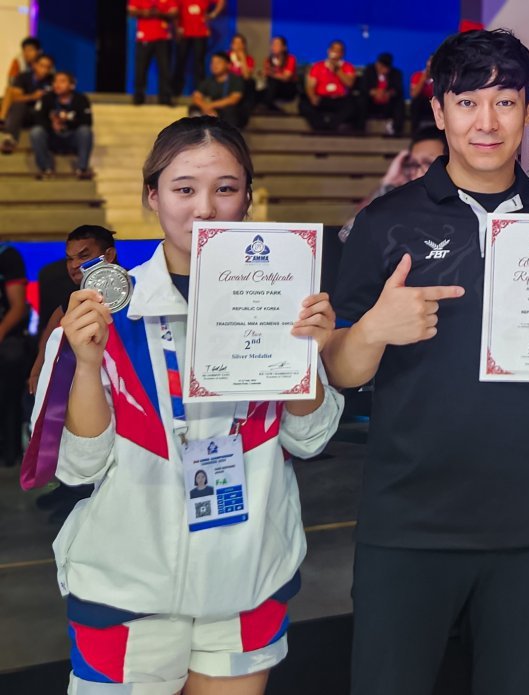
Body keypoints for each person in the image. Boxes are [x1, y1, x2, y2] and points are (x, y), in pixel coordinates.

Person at [325, 29, 529, 695]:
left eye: (504, 102)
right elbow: (341, 371)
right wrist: (375, 327)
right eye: (467, 103)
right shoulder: (385, 223)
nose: (485, 122)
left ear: (527, 111)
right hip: (408, 520)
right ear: (439, 111)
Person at [27, 115, 344, 693]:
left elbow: (310, 438)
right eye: (183, 189)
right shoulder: (100, 312)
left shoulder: (282, 301)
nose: (205, 208)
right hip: (129, 587)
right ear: (152, 196)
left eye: (225, 188)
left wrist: (311, 355)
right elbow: (77, 467)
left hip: (248, 575)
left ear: (248, 195)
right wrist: (90, 364)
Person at [28, 225, 118, 395]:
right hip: (88, 386)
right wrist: (37, 372)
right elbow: (49, 337)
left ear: (109, 255)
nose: (74, 265)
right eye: (69, 259)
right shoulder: (69, 300)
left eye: (83, 256)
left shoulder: (137, 288)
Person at [338, 125, 447, 241]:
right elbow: (347, 235)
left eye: (428, 164)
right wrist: (388, 184)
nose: (418, 174)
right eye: (414, 164)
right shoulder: (403, 208)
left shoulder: (463, 208)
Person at [30, 70, 94, 180]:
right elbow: (38, 118)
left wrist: (66, 122)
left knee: (85, 131)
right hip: (52, 137)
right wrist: (52, 124)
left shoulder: (81, 99)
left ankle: (82, 169)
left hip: (71, 136)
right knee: (36, 132)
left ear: (72, 85)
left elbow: (87, 121)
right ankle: (45, 169)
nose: (57, 85)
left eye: (62, 81)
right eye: (55, 81)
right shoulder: (47, 98)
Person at [0, 240, 29, 467]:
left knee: (11, 358)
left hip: (7, 336)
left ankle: (10, 451)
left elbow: (18, 307)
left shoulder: (7, 255)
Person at [300, 39, 360, 132]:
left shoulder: (348, 67)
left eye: (338, 50)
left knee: (352, 105)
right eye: (333, 49)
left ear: (342, 53)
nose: (335, 52)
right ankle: (320, 126)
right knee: (304, 104)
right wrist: (312, 96)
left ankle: (332, 125)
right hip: (322, 98)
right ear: (328, 51)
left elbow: (349, 83)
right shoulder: (317, 66)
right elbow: (310, 85)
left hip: (340, 99)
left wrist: (337, 70)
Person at [0, 53, 54, 155]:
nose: (44, 70)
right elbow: (15, 98)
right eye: (42, 66)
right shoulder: (23, 77)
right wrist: (32, 96)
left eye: (48, 67)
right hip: (24, 114)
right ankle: (9, 138)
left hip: (43, 115)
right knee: (19, 105)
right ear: (35, 65)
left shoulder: (52, 80)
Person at [129, 0, 177, 106]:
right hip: (144, 38)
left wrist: (159, 14)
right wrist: (144, 12)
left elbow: (174, 12)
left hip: (163, 37)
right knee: (141, 68)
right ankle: (139, 96)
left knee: (165, 68)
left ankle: (165, 97)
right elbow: (131, 11)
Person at [172, 0, 224, 97]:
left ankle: (201, 92)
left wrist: (213, 15)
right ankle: (175, 92)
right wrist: (177, 28)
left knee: (199, 64)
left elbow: (221, 1)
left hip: (200, 33)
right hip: (184, 33)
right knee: (180, 63)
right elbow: (175, 12)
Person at [190, 51, 248, 128]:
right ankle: (197, 135)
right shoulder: (209, 80)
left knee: (230, 110)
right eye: (212, 63)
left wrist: (210, 105)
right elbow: (196, 96)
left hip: (233, 113)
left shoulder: (235, 79)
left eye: (218, 62)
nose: (214, 65)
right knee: (194, 109)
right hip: (214, 110)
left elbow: (233, 99)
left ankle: (230, 137)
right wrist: (205, 107)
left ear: (228, 65)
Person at [359, 52, 404, 136]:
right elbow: (363, 88)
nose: (383, 69)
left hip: (387, 102)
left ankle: (397, 131)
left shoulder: (396, 73)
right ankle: (360, 130)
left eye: (386, 67)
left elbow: (398, 90)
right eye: (381, 66)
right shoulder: (369, 71)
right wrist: (374, 92)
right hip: (371, 102)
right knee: (361, 101)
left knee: (399, 103)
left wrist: (388, 93)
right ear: (377, 64)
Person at [1, 36, 41, 123]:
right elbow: (12, 82)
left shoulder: (45, 63)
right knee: (9, 91)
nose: (27, 53)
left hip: (39, 96)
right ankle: (2, 120)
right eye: (25, 50)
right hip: (22, 93)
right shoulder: (19, 61)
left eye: (30, 50)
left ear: (38, 51)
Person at [259, 35, 298, 111]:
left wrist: (271, 73)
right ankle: (272, 108)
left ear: (284, 47)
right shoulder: (268, 60)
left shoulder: (290, 59)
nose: (274, 47)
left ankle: (266, 106)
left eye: (277, 44)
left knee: (273, 81)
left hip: (287, 87)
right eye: (273, 44)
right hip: (273, 88)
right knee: (259, 93)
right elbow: (265, 74)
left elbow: (286, 77)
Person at [409, 55, 435, 131]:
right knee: (416, 102)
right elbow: (413, 94)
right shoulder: (417, 75)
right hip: (422, 104)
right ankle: (415, 132)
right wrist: (422, 80)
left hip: (435, 102)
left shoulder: (442, 77)